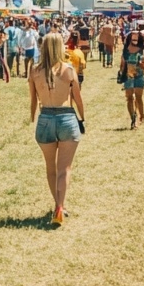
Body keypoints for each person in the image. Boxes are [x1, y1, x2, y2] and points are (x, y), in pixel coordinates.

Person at [29, 33, 86, 226]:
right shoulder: (68, 70)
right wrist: (83, 118)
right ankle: (60, 206)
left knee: (50, 168)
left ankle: (57, 204)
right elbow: (77, 98)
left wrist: (32, 116)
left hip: (45, 118)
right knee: (65, 168)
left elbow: (32, 99)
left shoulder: (35, 70)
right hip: (66, 117)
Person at [121, 30, 144, 129]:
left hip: (139, 76)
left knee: (138, 97)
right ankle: (133, 119)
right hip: (128, 77)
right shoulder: (125, 50)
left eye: (136, 38)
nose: (134, 40)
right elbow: (122, 64)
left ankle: (141, 115)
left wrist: (142, 65)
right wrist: (122, 75)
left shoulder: (142, 50)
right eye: (133, 38)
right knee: (129, 98)